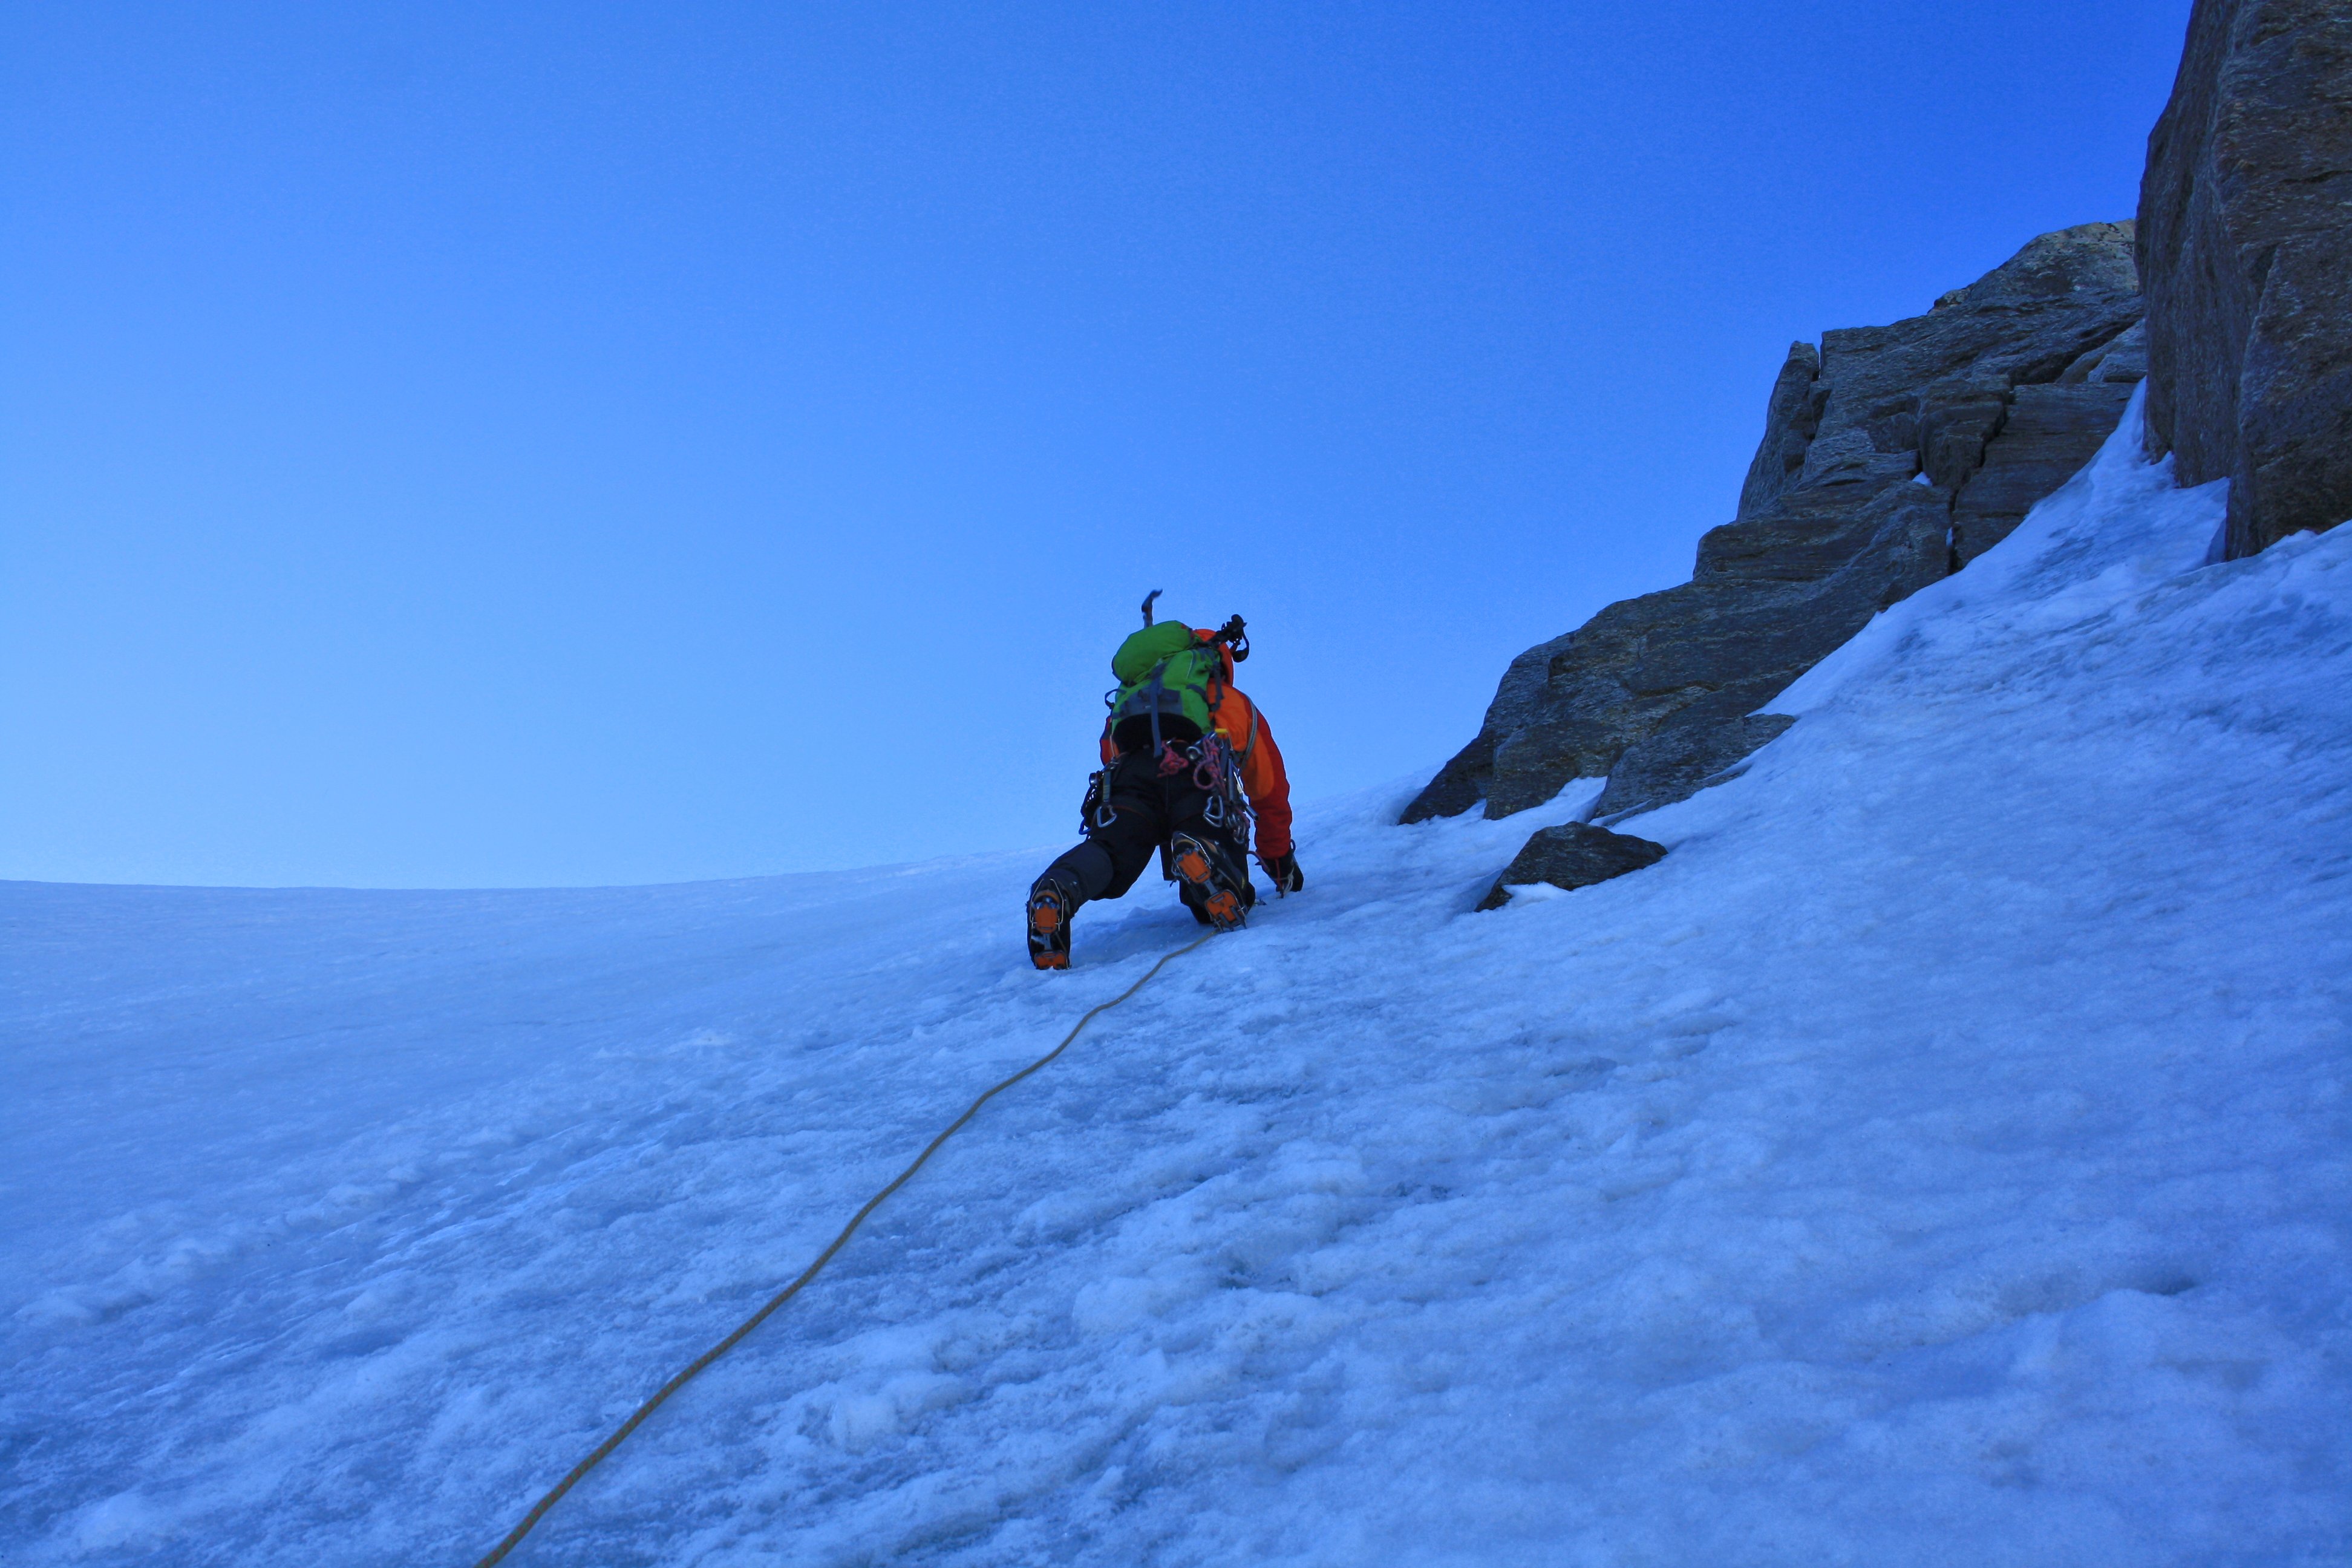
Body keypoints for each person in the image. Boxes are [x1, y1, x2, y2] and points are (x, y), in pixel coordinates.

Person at [1026, 595, 1302, 969]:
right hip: (1197, 776)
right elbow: (1268, 787)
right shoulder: (1225, 699)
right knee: (1215, 875)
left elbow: (1110, 753)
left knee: (1111, 852)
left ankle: (1058, 889)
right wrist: (1278, 857)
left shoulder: (1129, 698)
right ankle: (1203, 855)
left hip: (1130, 781)